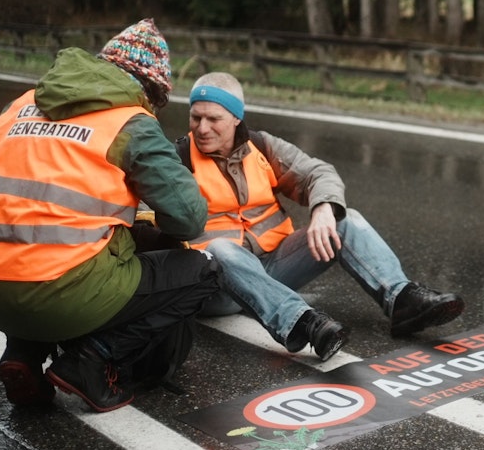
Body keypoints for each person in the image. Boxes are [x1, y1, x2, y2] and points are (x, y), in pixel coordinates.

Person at [0, 19, 221, 413]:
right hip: (59, 295)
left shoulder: (18, 106)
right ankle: (92, 360)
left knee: (46, 247)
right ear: (147, 90)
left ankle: (23, 354)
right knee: (203, 270)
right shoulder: (131, 121)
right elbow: (189, 220)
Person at [178, 72, 465, 349]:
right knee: (220, 249)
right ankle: (301, 322)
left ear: (237, 117)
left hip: (274, 265)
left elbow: (318, 173)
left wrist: (323, 209)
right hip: (218, 287)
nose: (202, 128)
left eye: (214, 119)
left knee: (346, 218)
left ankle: (402, 300)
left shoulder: (261, 146)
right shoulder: (175, 159)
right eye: (196, 117)